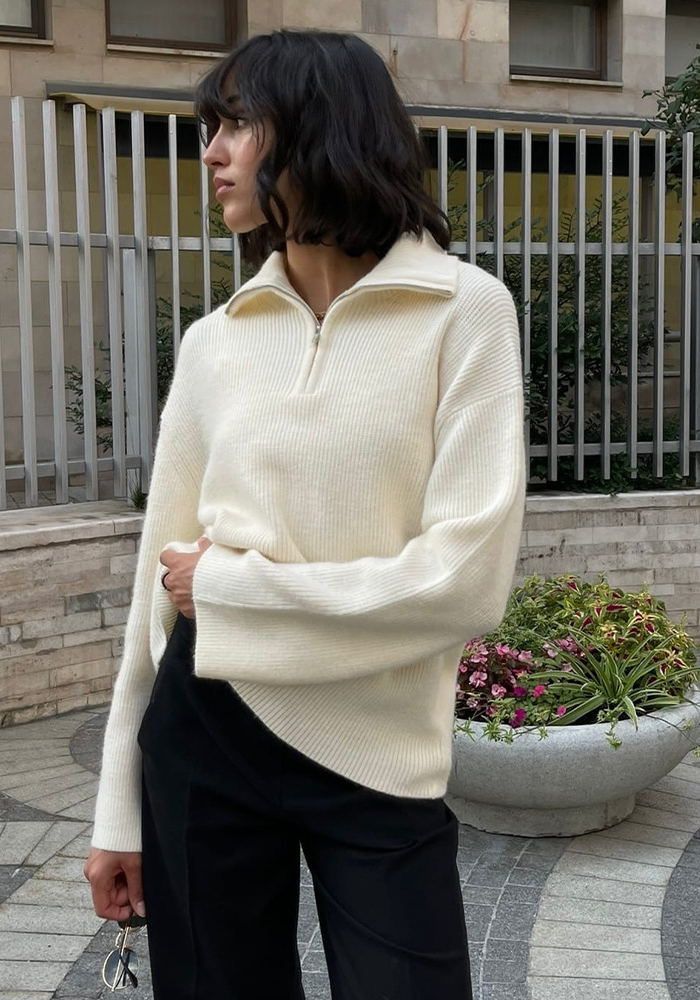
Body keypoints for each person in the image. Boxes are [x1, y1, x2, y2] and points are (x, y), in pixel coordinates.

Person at [84, 28, 526, 1000]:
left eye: (237, 123)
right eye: (210, 127)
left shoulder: (465, 312)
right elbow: (157, 588)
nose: (211, 151)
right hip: (205, 728)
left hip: (378, 748)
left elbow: (467, 579)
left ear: (323, 129)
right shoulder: (216, 341)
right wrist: (118, 808)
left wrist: (235, 588)